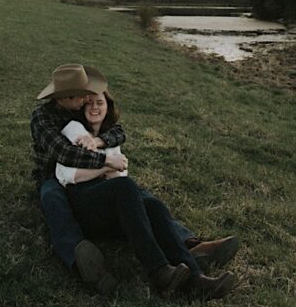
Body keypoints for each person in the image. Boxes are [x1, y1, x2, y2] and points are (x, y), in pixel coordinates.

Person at [30, 64, 239, 293]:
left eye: (93, 99)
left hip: (96, 180)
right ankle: (77, 255)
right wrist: (107, 163)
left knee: (149, 202)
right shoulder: (45, 117)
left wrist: (101, 143)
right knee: (54, 199)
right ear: (67, 97)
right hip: (54, 174)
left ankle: (193, 264)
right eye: (83, 97)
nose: (88, 100)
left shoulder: (82, 107)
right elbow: (65, 156)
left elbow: (116, 129)